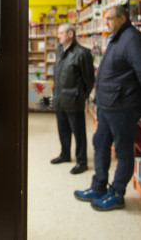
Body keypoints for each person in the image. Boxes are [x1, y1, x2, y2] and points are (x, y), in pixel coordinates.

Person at [74, 5, 141, 211]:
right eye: (105, 19)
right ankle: (99, 186)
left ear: (122, 18)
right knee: (100, 143)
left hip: (123, 107)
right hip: (107, 105)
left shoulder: (133, 39)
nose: (106, 23)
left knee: (123, 151)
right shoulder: (117, 38)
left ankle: (117, 193)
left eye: (110, 18)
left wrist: (140, 99)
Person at [50, 23, 95, 175]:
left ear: (70, 34)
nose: (58, 36)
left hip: (74, 100)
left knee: (79, 132)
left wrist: (80, 96)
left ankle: (81, 161)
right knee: (63, 130)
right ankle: (65, 154)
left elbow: (89, 80)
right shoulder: (59, 51)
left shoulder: (82, 53)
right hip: (60, 99)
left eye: (61, 33)